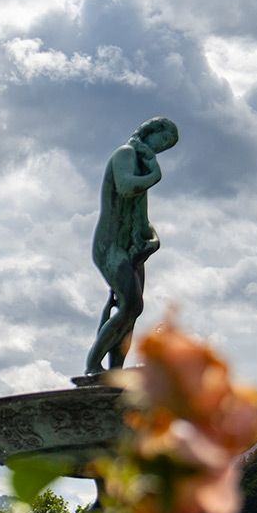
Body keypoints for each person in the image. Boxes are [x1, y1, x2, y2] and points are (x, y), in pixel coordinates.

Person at [86, 117, 179, 377]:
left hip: (132, 249)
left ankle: (115, 370)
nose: (163, 148)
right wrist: (155, 174)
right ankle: (93, 364)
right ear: (152, 132)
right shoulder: (126, 154)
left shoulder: (140, 162)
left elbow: (143, 218)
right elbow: (126, 188)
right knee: (129, 305)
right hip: (111, 244)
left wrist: (153, 241)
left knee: (133, 310)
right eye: (164, 140)